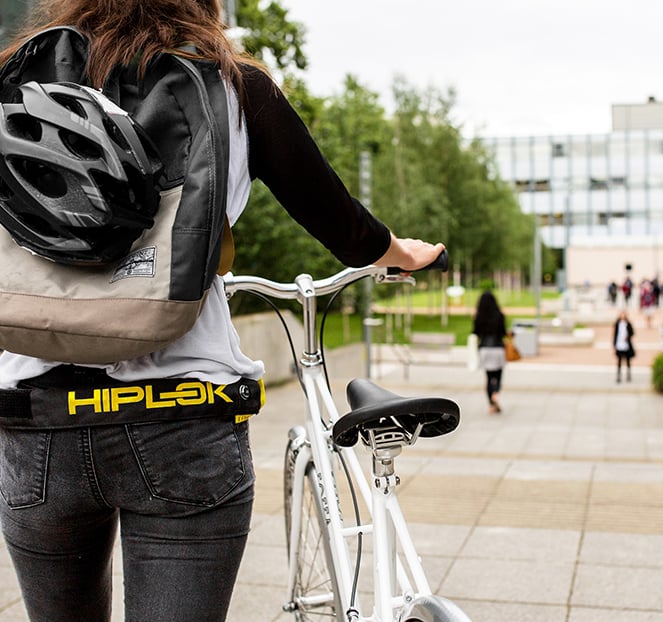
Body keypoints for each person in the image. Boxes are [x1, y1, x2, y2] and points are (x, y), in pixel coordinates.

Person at [0, 2, 445, 621]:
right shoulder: (233, 87)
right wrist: (396, 254)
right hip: (180, 416)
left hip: (35, 421)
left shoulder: (21, 79)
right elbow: (336, 218)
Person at [472, 290, 507, 414]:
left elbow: (475, 332)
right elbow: (503, 332)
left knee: (488, 377)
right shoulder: (499, 315)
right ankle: (496, 393)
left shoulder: (478, 316)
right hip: (498, 348)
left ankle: (491, 404)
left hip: (484, 349)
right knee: (498, 376)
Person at [613, 311, 635, 383]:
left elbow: (632, 332)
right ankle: (619, 376)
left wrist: (627, 336)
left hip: (626, 344)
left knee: (628, 360)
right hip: (619, 344)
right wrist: (614, 344)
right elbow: (615, 334)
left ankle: (628, 375)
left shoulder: (628, 324)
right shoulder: (617, 324)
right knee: (619, 360)